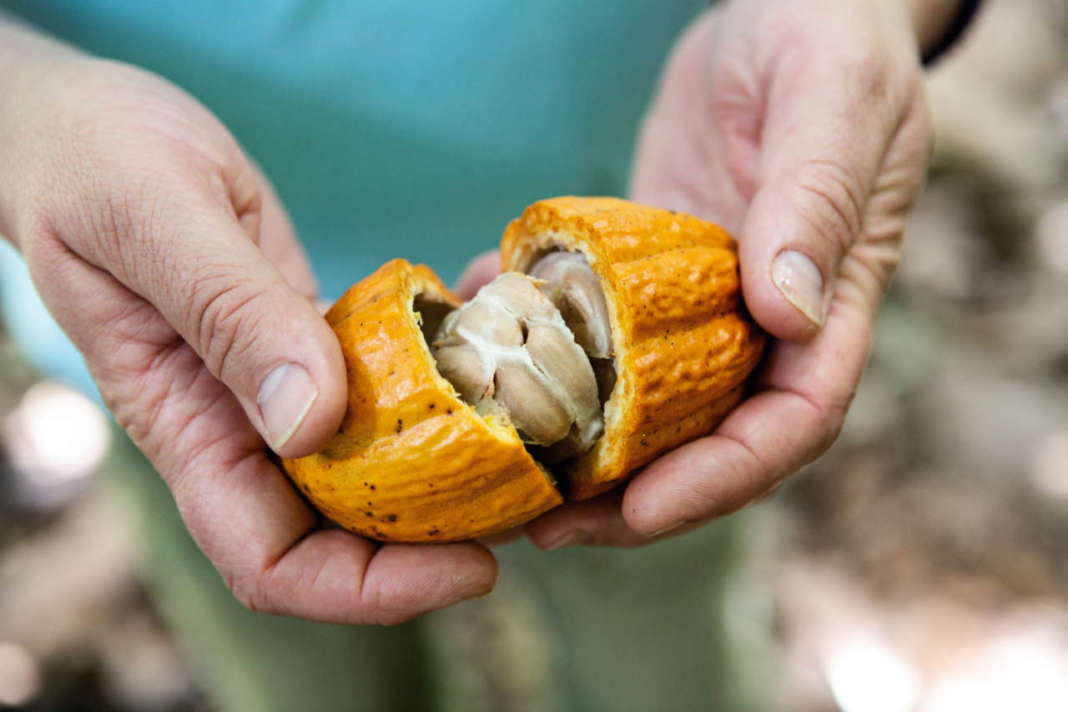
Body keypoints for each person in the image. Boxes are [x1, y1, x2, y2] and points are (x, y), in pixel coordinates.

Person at [0, 1, 980, 709]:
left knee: (662, 660)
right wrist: (29, 115)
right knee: (313, 680)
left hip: (668, 173)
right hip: (174, 342)